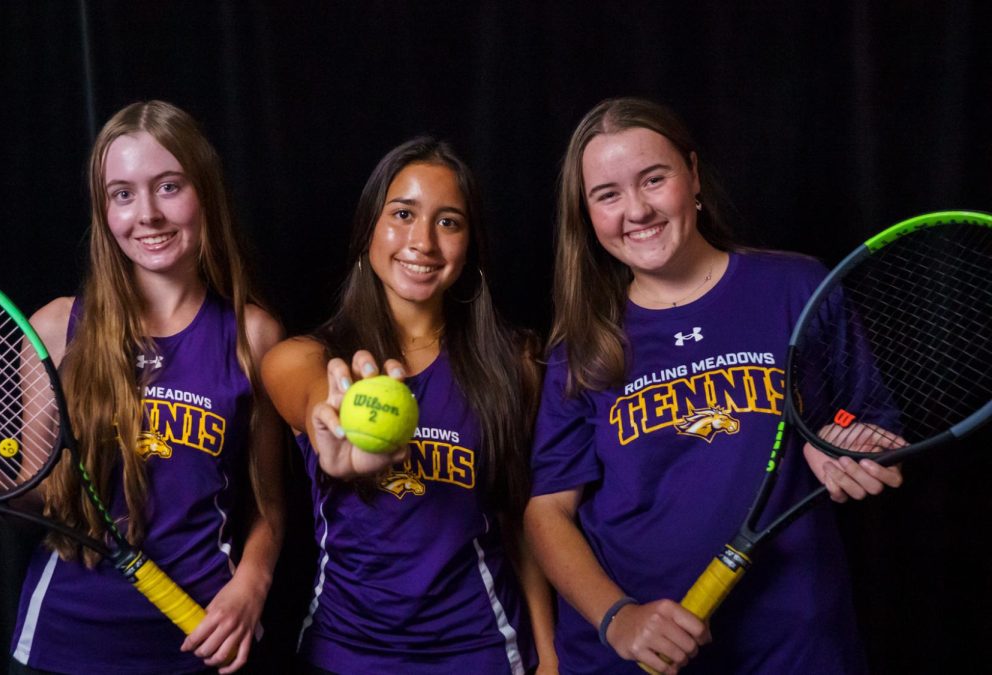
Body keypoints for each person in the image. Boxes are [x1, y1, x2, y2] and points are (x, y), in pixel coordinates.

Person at [0, 100, 284, 674]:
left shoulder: (254, 334)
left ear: (206, 192)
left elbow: (270, 503)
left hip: (201, 638)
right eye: (122, 194)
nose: (146, 213)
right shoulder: (56, 327)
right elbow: (43, 499)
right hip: (63, 642)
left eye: (169, 186)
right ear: (105, 211)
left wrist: (252, 586)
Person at [523, 97, 904, 674]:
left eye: (654, 179)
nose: (637, 209)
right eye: (608, 194)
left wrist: (843, 441)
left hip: (792, 645)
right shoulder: (580, 346)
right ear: (586, 212)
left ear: (693, 175)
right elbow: (546, 511)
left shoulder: (796, 286)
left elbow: (865, 417)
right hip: (629, 655)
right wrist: (617, 617)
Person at [262, 137, 557, 675]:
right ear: (368, 229)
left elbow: (521, 521)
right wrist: (331, 430)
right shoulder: (298, 359)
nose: (422, 241)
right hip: (343, 654)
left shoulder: (514, 364)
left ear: (470, 245)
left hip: (483, 652)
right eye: (402, 214)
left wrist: (551, 657)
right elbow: (316, 403)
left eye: (448, 222)